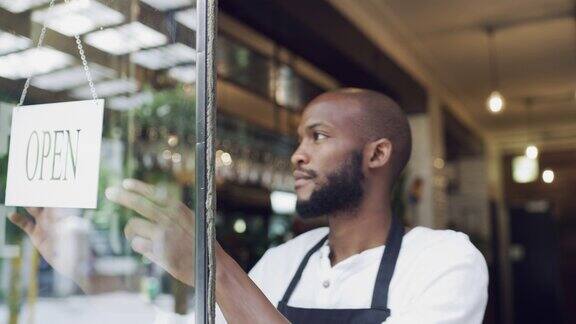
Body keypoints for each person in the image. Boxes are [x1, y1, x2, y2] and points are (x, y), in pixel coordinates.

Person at [9, 88, 488, 323]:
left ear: (378, 154)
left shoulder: (444, 261)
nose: (298, 154)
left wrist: (211, 262)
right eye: (299, 138)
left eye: (318, 136)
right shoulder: (284, 262)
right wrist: (87, 274)